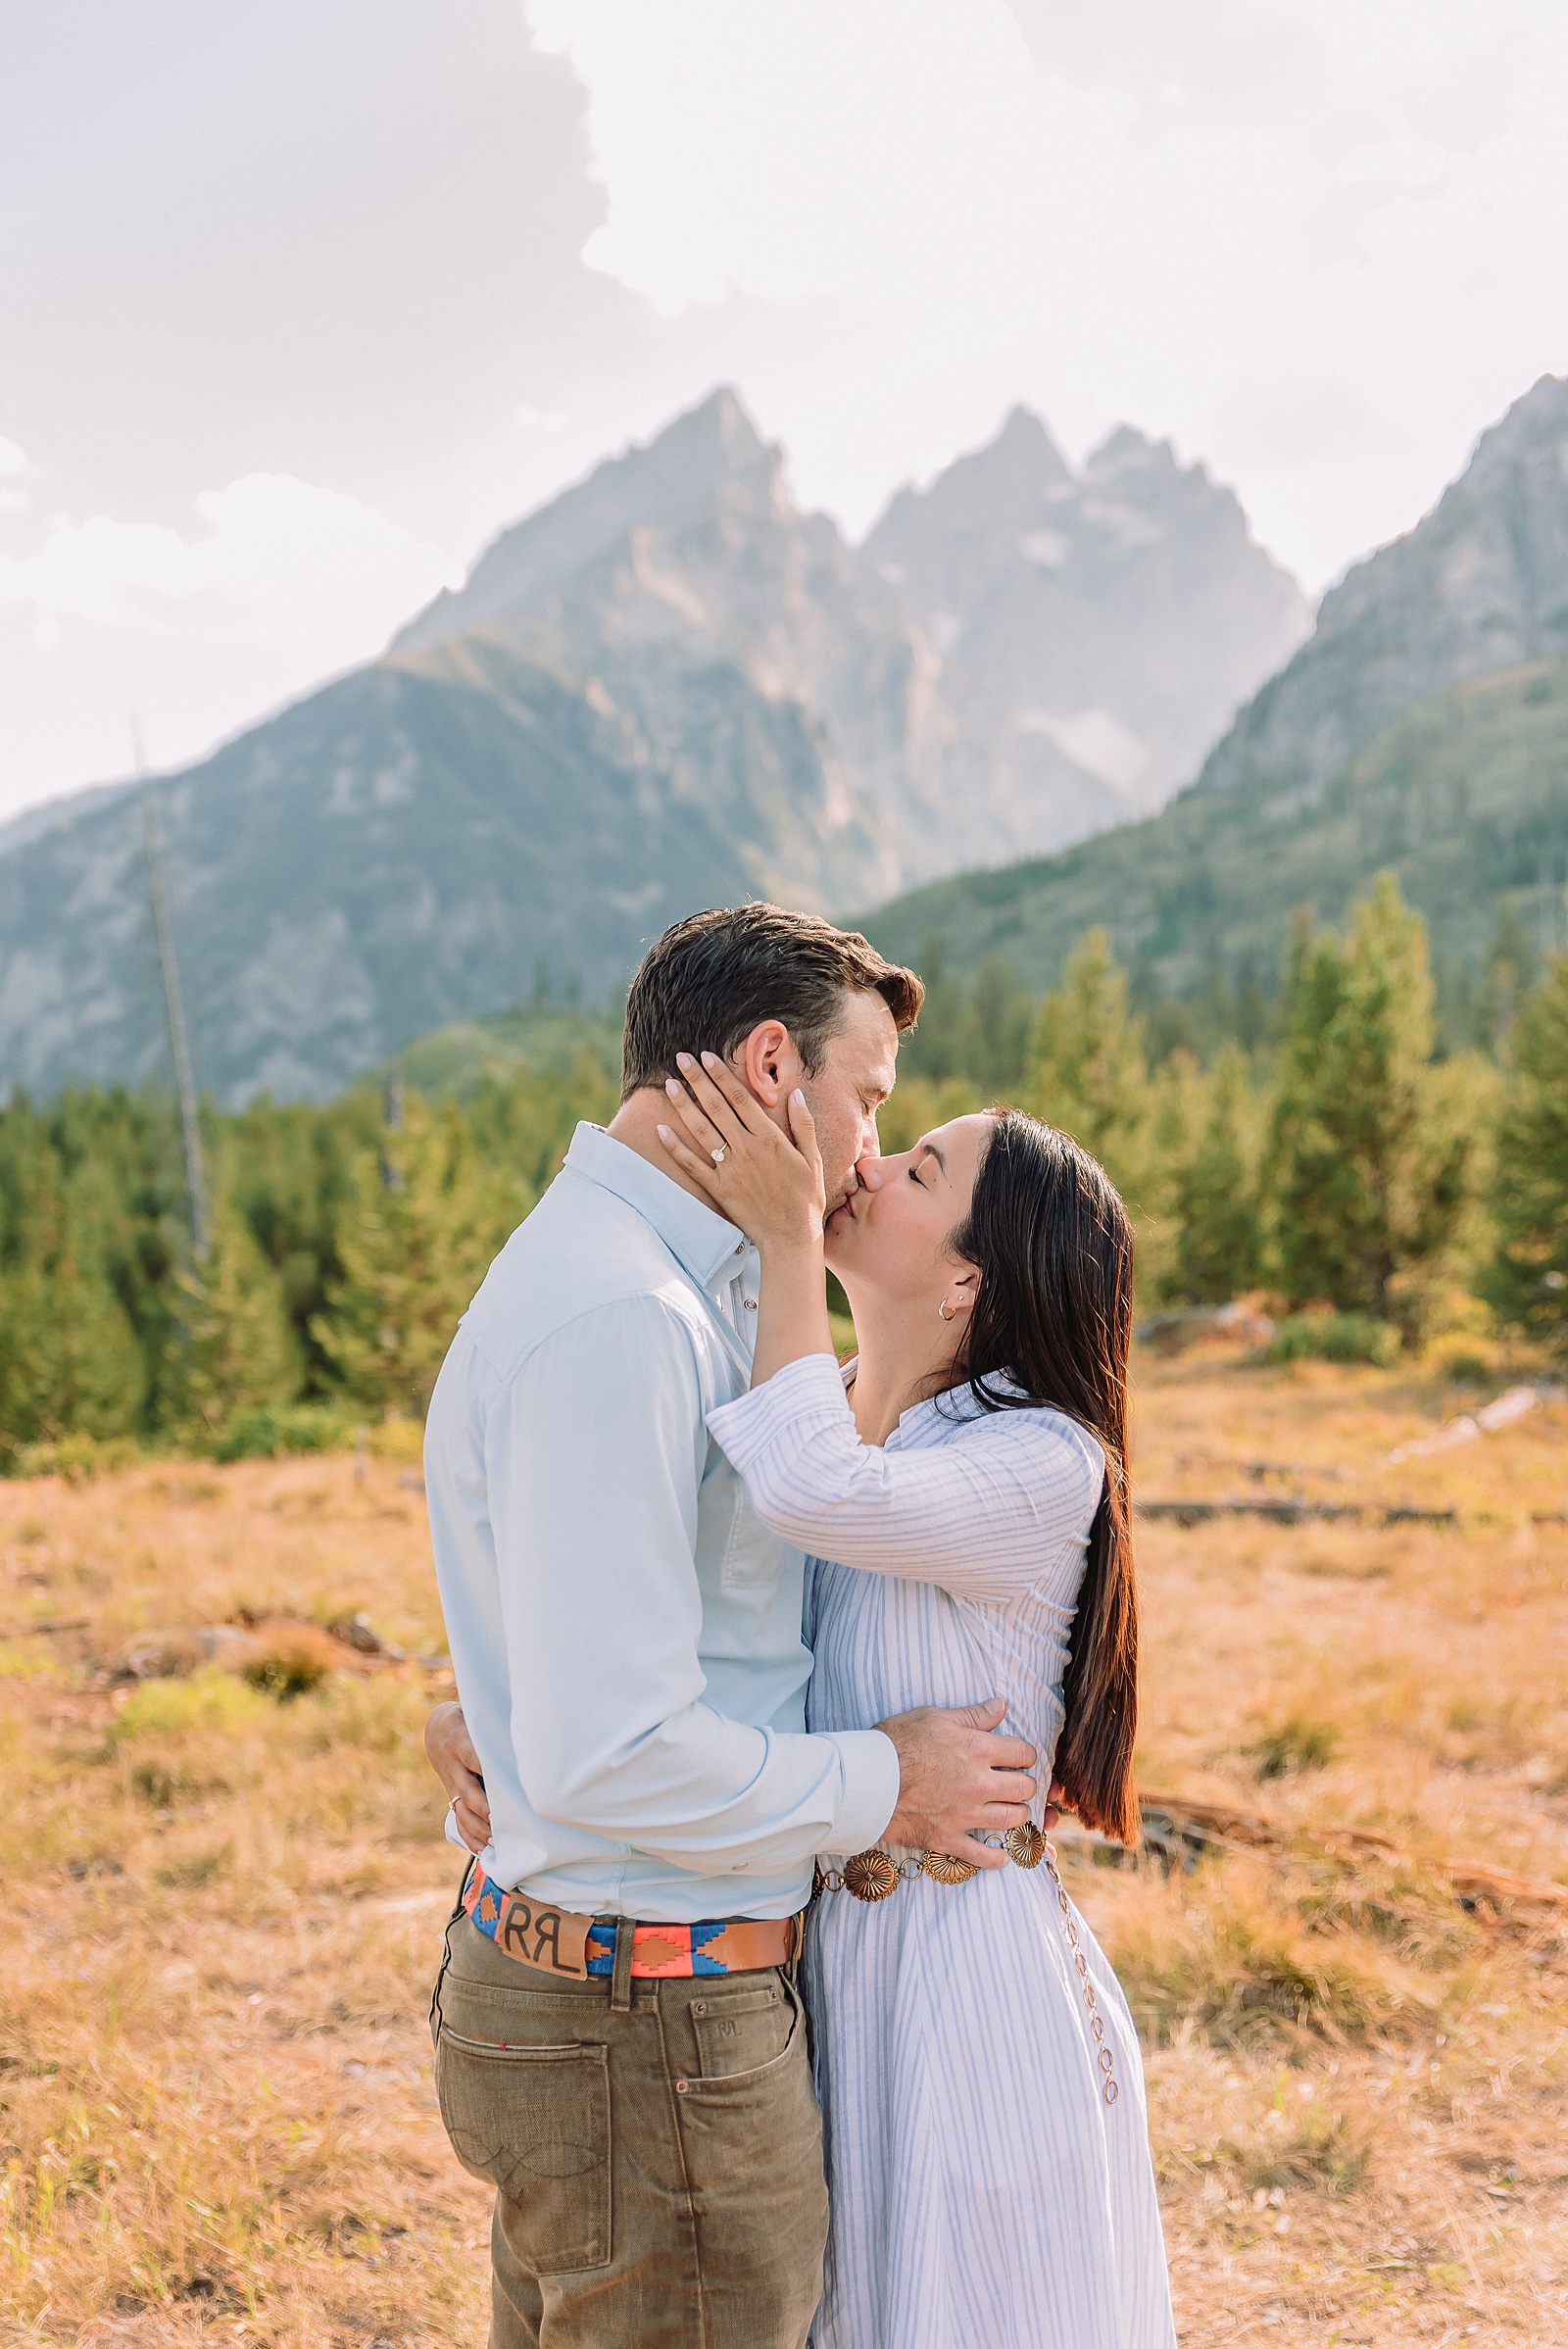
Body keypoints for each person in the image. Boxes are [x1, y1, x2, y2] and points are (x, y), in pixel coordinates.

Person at [420, 904, 1040, 2349]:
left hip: (619, 2006)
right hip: (650, 2024)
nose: (873, 1149)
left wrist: (491, 1708)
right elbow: (614, 1748)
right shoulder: (625, 1317)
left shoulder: (647, 1285)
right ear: (774, 1067)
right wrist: (896, 1779)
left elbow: (591, 1620)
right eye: (866, 1097)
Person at [650, 1057, 1178, 2348]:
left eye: (919, 1170)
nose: (871, 1163)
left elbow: (818, 1496)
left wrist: (780, 1228)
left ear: (965, 1281)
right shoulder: (821, 1415)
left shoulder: (1041, 1455)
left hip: (968, 1985)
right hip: (823, 1965)